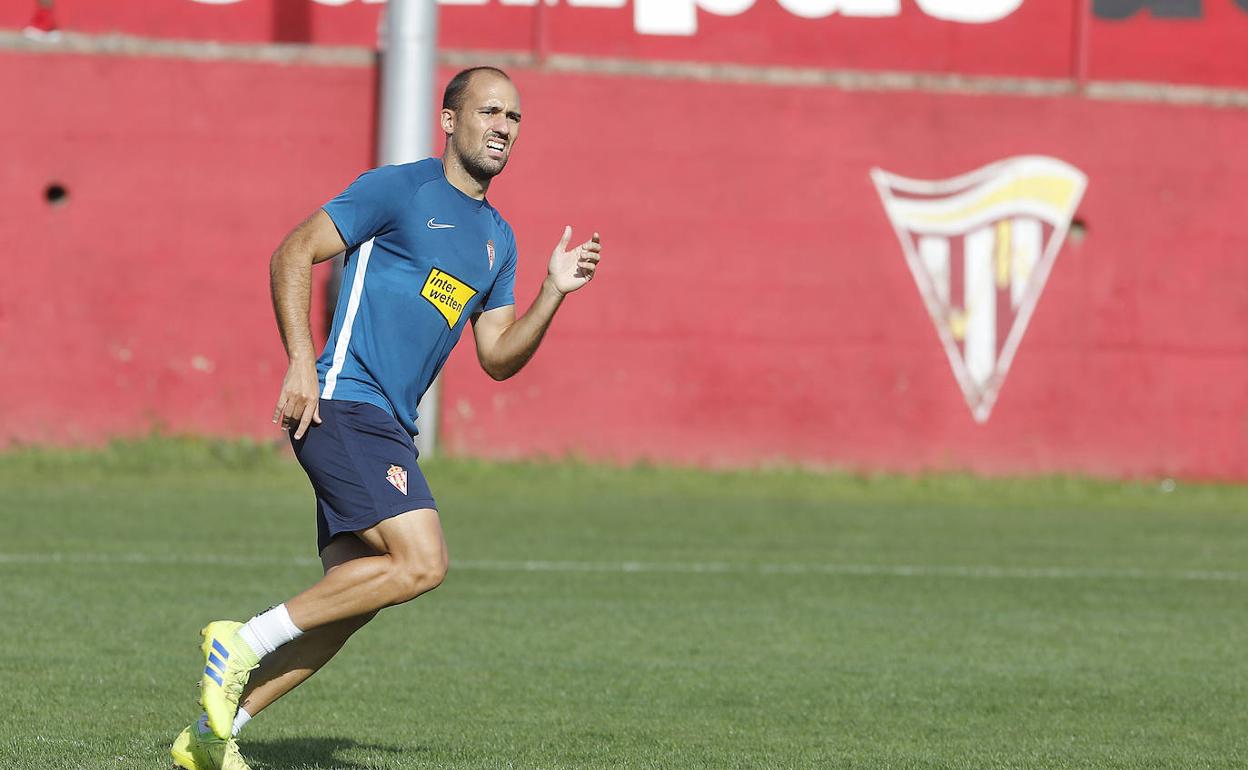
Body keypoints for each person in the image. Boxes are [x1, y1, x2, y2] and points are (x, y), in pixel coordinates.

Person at [171, 65, 605, 770]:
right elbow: (293, 251)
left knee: (351, 603)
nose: (503, 127)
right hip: (342, 404)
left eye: (514, 118)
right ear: (449, 120)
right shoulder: (400, 189)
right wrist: (300, 361)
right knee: (424, 561)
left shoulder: (498, 239)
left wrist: (554, 293)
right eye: (490, 111)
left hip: (386, 428)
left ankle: (212, 736)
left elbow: (496, 357)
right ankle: (239, 642)